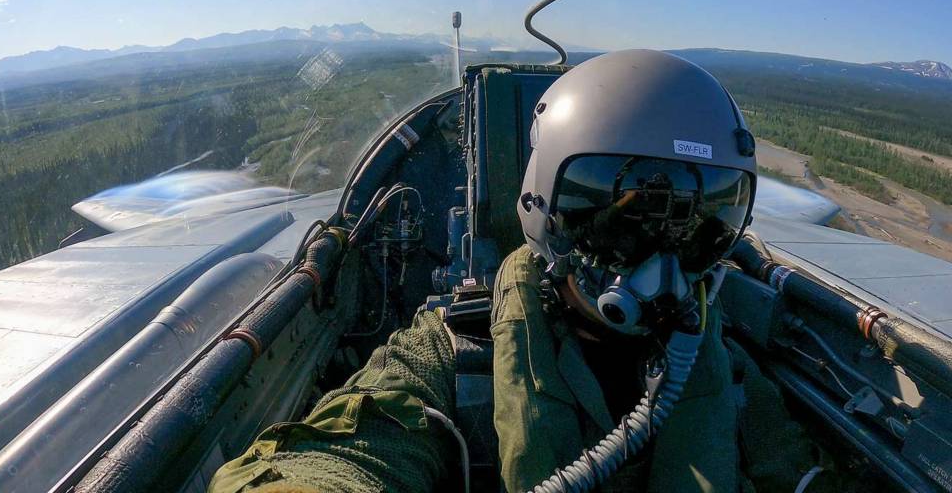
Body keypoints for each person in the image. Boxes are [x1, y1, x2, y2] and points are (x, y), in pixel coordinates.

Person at [208, 50, 827, 493]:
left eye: (697, 228)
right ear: (547, 212)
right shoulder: (454, 356)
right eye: (622, 222)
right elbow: (348, 452)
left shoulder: (736, 380)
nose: (659, 266)